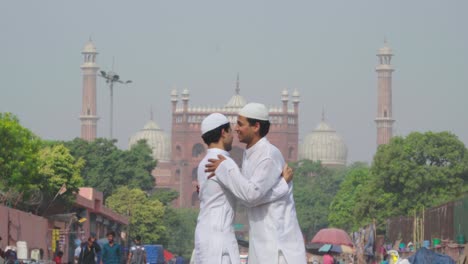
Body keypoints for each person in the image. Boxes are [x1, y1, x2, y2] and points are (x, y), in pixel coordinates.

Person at [206, 103, 307, 264]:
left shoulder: (267, 155)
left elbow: (251, 195)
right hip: (262, 241)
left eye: (240, 124)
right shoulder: (251, 153)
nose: (236, 128)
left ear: (256, 126)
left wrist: (225, 169)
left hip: (277, 244)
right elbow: (246, 196)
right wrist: (282, 186)